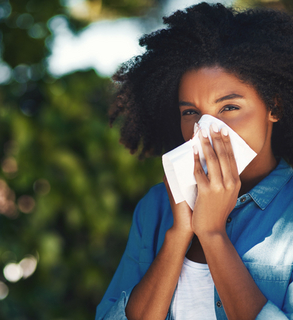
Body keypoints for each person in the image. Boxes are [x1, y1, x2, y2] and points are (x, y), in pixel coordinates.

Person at [96, 2, 293, 319]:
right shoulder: (156, 208)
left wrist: (213, 235)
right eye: (191, 112)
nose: (205, 129)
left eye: (228, 107)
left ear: (274, 107)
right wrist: (179, 235)